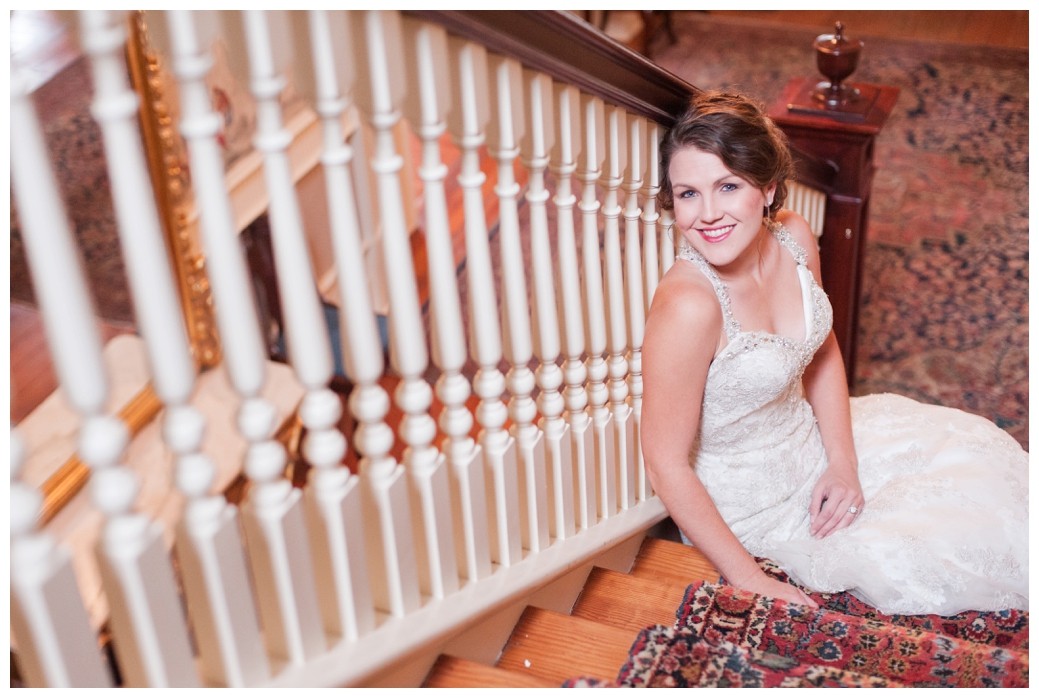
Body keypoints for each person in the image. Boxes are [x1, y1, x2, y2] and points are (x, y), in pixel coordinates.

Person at [640, 90, 1028, 616]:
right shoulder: (688, 305)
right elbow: (665, 464)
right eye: (688, 194)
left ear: (768, 187)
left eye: (728, 186)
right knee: (930, 552)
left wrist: (843, 464)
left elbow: (821, 354)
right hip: (752, 507)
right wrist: (750, 577)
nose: (707, 214)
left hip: (815, 446)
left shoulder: (795, 236)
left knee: (978, 467)